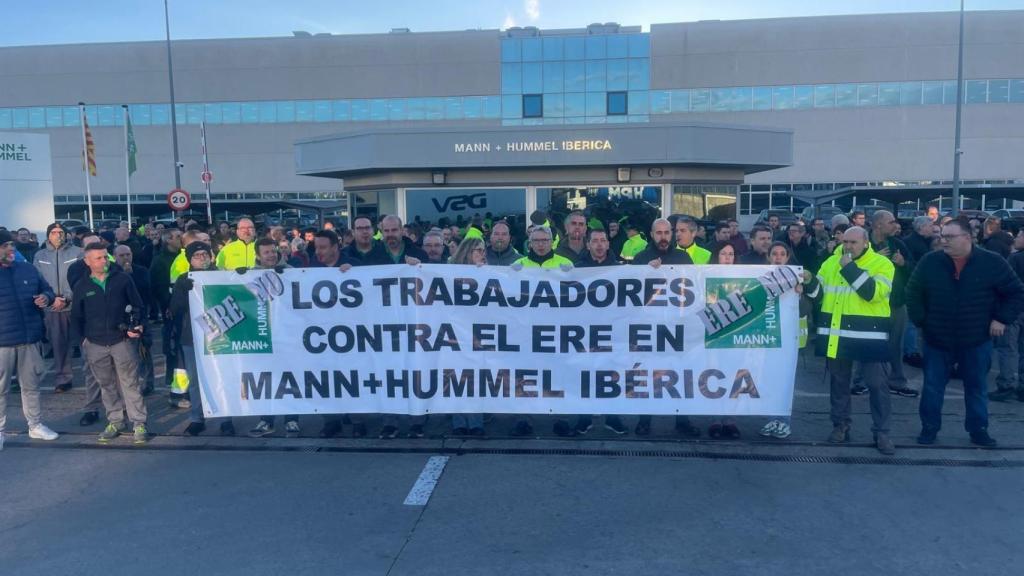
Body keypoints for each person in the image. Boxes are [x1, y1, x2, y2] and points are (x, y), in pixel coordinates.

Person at [907, 219, 1024, 447]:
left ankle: (978, 430)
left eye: (949, 237)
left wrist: (1001, 319)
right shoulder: (931, 261)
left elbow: (1016, 292)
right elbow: (913, 292)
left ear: (967, 238)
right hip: (937, 338)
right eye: (942, 236)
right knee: (932, 386)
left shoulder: (991, 262)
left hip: (976, 338)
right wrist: (922, 321)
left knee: (976, 387)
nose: (943, 241)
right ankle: (929, 428)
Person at [815, 226, 896, 455]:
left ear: (865, 242)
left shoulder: (882, 264)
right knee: (839, 383)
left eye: (853, 243)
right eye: (845, 242)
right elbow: (818, 294)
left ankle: (882, 431)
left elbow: (871, 293)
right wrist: (808, 282)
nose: (847, 247)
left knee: (877, 384)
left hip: (870, 336)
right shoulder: (831, 262)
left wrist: (849, 268)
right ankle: (841, 426)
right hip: (837, 335)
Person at [70, 242, 149, 444]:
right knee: (106, 384)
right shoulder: (82, 285)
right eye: (98, 258)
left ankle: (139, 423)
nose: (104, 261)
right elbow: (77, 317)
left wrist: (137, 325)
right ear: (87, 261)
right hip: (95, 343)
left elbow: (138, 306)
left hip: (121, 340)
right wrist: (83, 341)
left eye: (105, 256)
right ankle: (115, 420)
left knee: (130, 383)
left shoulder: (122, 279)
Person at [630, 219, 699, 437]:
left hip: (678, 325)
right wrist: (645, 272)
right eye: (658, 233)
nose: (663, 237)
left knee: (680, 372)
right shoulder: (641, 258)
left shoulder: (683, 257)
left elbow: (696, 286)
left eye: (666, 232)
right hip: (650, 327)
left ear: (672, 234)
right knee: (649, 372)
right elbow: (630, 291)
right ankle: (644, 420)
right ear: (651, 234)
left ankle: (682, 419)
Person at [509, 226, 573, 437]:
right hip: (525, 332)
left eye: (545, 240)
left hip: (556, 331)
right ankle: (523, 419)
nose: (541, 244)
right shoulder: (518, 265)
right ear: (530, 242)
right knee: (525, 376)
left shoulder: (565, 265)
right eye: (536, 240)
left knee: (557, 375)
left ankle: (560, 418)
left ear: (551, 241)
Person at [0, 229, 61, 450]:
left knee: (31, 386)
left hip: (29, 339)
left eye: (11, 245)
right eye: (5, 246)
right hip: (2, 343)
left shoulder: (26, 268)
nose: (11, 249)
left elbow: (48, 290)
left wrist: (46, 297)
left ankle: (35, 425)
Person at [567, 227, 628, 436]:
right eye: (595, 241)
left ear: (608, 244)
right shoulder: (578, 268)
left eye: (603, 240)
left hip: (613, 330)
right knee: (585, 375)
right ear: (588, 244)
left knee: (610, 375)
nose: (600, 244)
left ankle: (612, 417)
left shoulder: (620, 269)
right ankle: (584, 418)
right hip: (585, 331)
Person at [169, 242, 235, 436]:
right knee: (196, 380)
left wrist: (240, 275)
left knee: (222, 377)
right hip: (193, 337)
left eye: (205, 254)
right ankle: (197, 418)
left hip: (219, 335)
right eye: (197, 255)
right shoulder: (184, 279)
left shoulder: (222, 276)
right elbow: (174, 310)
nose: (202, 258)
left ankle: (226, 418)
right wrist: (181, 290)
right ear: (190, 259)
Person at [759, 242, 818, 440]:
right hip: (765, 338)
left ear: (787, 257)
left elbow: (805, 311)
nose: (778, 257)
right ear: (768, 257)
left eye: (782, 254)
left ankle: (784, 420)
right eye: (774, 254)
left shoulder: (795, 280)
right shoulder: (758, 276)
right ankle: (770, 418)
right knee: (767, 380)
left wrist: (800, 296)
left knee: (784, 380)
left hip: (786, 339)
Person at [858, 210, 918, 398]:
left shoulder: (898, 244)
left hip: (895, 303)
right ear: (878, 225)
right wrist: (875, 257)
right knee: (865, 343)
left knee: (895, 345)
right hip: (869, 304)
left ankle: (896, 381)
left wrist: (903, 263)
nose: (895, 225)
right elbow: (850, 269)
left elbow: (914, 270)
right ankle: (859, 381)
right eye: (891, 222)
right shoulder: (862, 245)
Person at [32, 222, 82, 393]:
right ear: (48, 235)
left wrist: (67, 297)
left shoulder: (77, 252)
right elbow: (38, 280)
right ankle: (63, 378)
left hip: (76, 305)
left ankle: (94, 376)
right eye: (54, 232)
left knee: (85, 343)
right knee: (59, 344)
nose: (58, 235)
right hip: (53, 307)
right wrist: (51, 298)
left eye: (61, 232)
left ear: (66, 234)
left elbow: (80, 279)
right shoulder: (40, 255)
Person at [447, 237, 488, 436]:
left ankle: (475, 422)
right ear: (467, 252)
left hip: (478, 333)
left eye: (483, 250)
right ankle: (459, 422)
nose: (482, 254)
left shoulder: (489, 272)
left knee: (475, 378)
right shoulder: (448, 271)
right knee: (456, 378)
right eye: (478, 250)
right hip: (454, 332)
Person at [113, 244, 155, 396]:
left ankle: (147, 383)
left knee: (144, 351)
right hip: (120, 319)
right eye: (122, 255)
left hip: (140, 317)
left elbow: (145, 292)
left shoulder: (141, 271)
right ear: (115, 257)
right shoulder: (112, 273)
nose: (125, 258)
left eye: (128, 254)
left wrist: (130, 276)